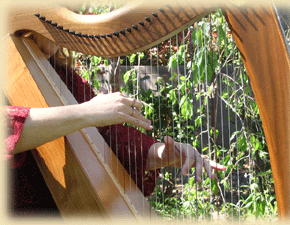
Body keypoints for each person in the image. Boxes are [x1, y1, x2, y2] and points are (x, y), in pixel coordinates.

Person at [5, 35, 226, 216]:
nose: (55, 32)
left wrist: (161, 153)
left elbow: (108, 135)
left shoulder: (62, 75)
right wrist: (87, 112)